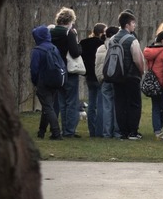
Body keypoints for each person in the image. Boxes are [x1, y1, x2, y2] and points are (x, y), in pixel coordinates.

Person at [113, 10, 147, 140]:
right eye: (133, 23)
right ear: (127, 25)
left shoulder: (113, 39)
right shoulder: (132, 39)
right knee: (134, 104)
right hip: (131, 76)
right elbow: (138, 59)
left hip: (117, 75)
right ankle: (133, 131)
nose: (135, 25)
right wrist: (141, 71)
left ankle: (123, 132)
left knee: (120, 104)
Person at [50, 7, 82, 138]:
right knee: (72, 102)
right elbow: (75, 52)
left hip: (56, 70)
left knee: (62, 101)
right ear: (70, 20)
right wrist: (79, 45)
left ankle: (63, 129)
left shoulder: (51, 32)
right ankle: (69, 130)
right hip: (69, 70)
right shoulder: (69, 33)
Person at [30, 25, 64, 140]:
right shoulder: (54, 48)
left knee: (48, 107)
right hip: (54, 80)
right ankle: (41, 131)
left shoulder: (37, 51)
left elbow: (34, 69)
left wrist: (35, 82)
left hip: (43, 81)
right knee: (47, 106)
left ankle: (56, 132)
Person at [143, 30, 163, 139]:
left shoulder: (148, 50)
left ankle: (157, 130)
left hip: (153, 83)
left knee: (155, 107)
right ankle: (162, 126)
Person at [79, 23, 106, 137]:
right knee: (100, 104)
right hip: (99, 76)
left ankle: (92, 130)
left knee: (91, 104)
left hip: (89, 75)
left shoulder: (84, 43)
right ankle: (99, 131)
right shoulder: (103, 44)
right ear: (101, 33)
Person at [96, 25, 122, 138]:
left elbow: (97, 65)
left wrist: (100, 77)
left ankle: (106, 132)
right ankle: (117, 131)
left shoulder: (101, 48)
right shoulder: (117, 46)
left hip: (104, 78)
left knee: (106, 106)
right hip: (115, 78)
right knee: (117, 105)